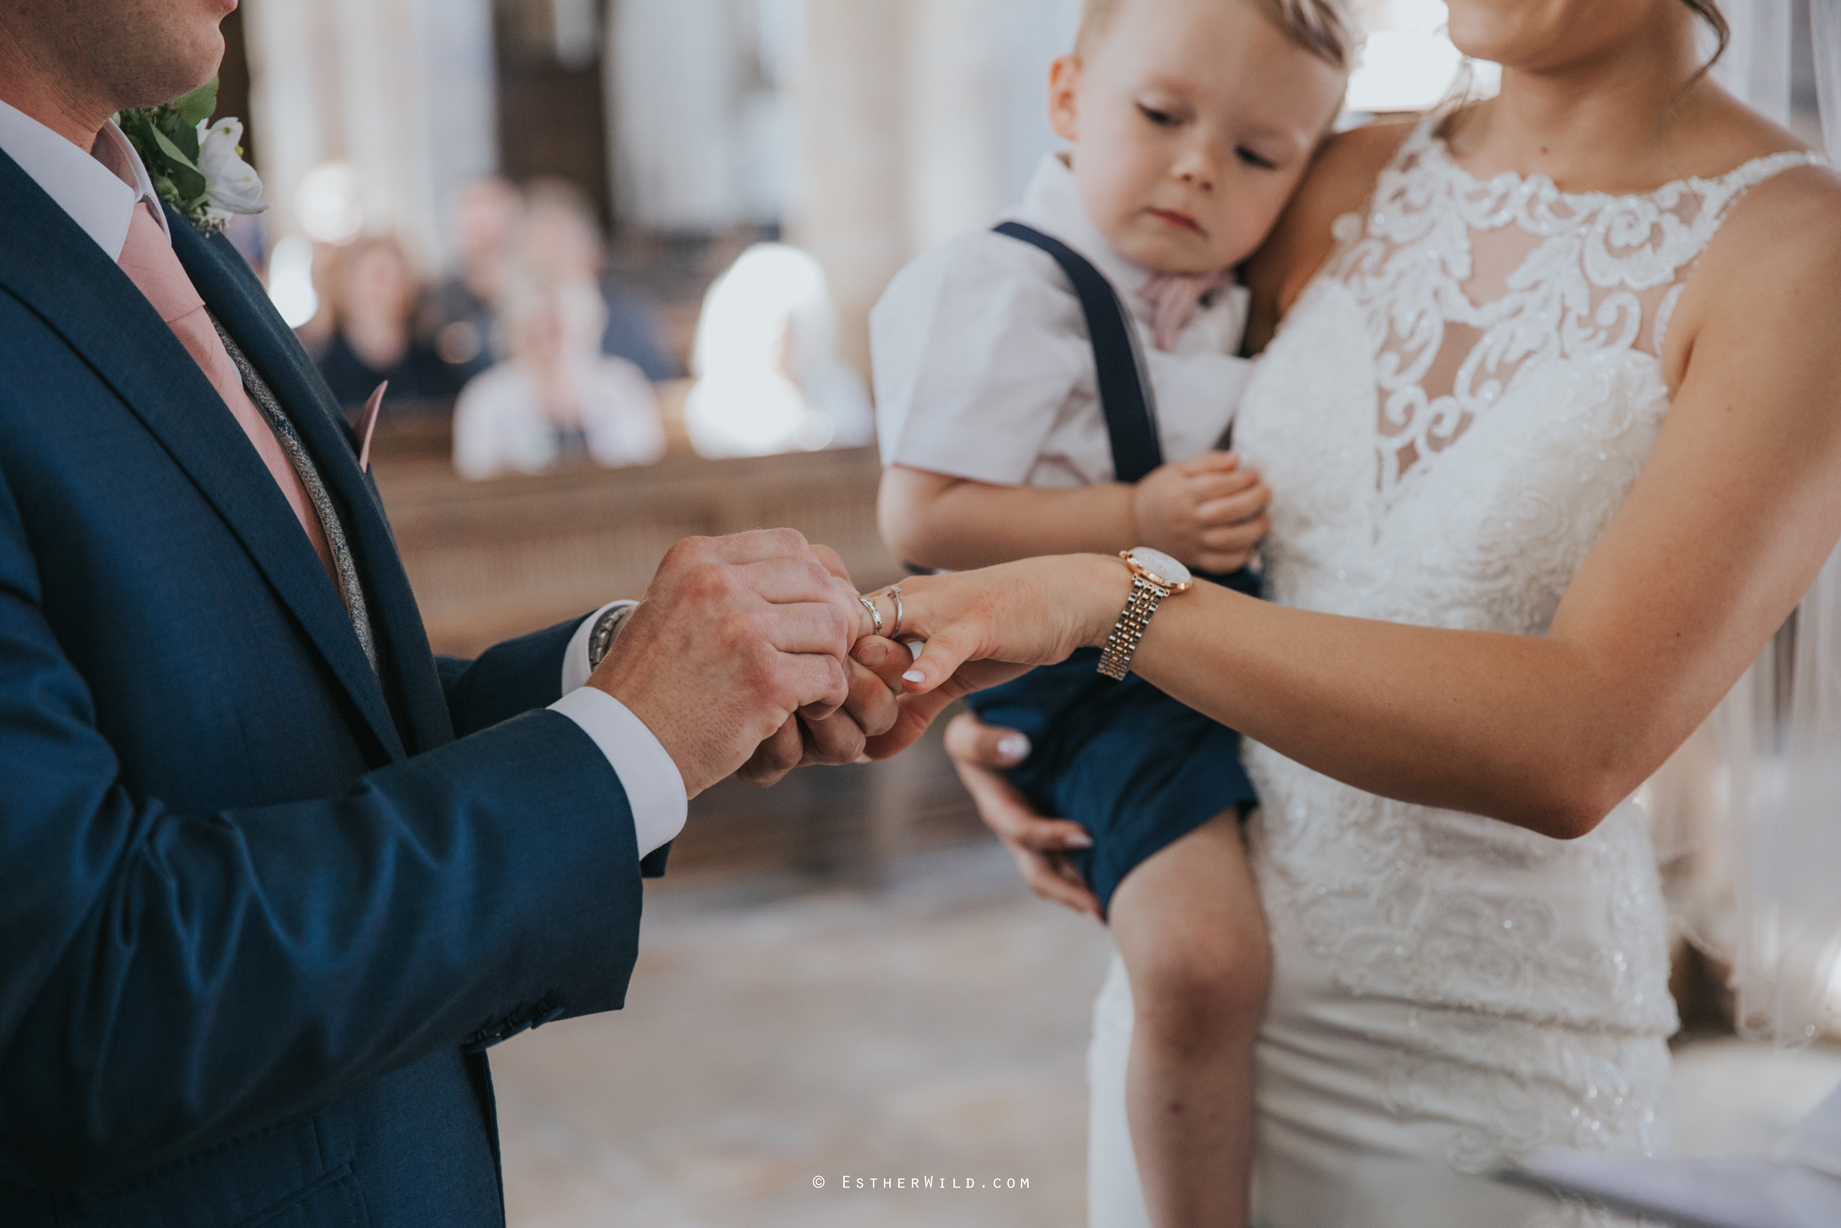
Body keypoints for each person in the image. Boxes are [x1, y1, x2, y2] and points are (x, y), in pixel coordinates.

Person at [854, 1, 1841, 1225]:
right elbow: (1096, 441)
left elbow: (1581, 743)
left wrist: (1110, 607)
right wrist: (1035, 716)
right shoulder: (1336, 171)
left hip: (1484, 1070)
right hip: (1191, 1000)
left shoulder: (1797, 252)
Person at [0, 4, 909, 1225]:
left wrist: (643, 683)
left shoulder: (155, 226)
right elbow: (80, 998)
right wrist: (620, 749)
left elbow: (298, 709)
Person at [868, 0, 1350, 1222]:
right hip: (1090, 661)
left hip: (1212, 647)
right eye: (1159, 115)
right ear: (1068, 98)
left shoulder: (1209, 283)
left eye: (1255, 155)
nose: (1199, 165)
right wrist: (1135, 510)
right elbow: (922, 516)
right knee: (1200, 962)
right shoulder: (1005, 284)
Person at [453, 273, 667, 478]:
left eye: (560, 331)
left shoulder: (622, 387)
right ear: (516, 336)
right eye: (537, 334)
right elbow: (476, 479)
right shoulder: (486, 400)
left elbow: (645, 469)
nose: (552, 347)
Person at [315, 234, 460, 411]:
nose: (392, 285)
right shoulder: (326, 373)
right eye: (379, 276)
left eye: (399, 275)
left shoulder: (432, 364)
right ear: (349, 285)